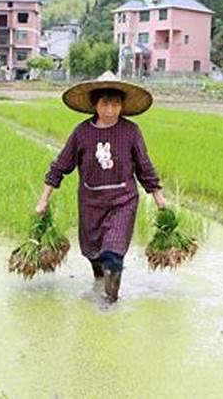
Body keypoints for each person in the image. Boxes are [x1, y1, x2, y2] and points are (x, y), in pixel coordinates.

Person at [35, 70, 166, 302]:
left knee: (113, 253)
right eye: (105, 104)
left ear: (122, 106)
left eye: (115, 104)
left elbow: (145, 167)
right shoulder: (82, 133)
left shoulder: (131, 132)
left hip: (122, 201)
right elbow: (60, 166)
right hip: (90, 203)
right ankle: (99, 285)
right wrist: (44, 199)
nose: (110, 111)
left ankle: (110, 302)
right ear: (95, 105)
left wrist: (158, 197)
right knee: (93, 254)